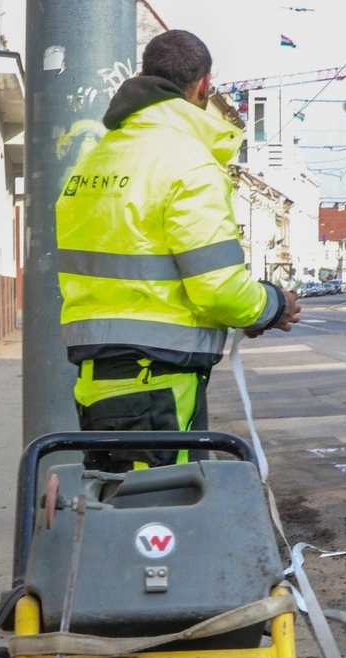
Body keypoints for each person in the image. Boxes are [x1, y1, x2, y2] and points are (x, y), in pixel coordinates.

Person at [55, 29, 300, 473]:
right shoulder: (189, 164)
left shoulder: (94, 161)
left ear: (146, 75)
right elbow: (218, 287)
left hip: (99, 381)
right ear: (204, 85)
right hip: (159, 383)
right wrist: (273, 304)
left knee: (115, 512)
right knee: (163, 520)